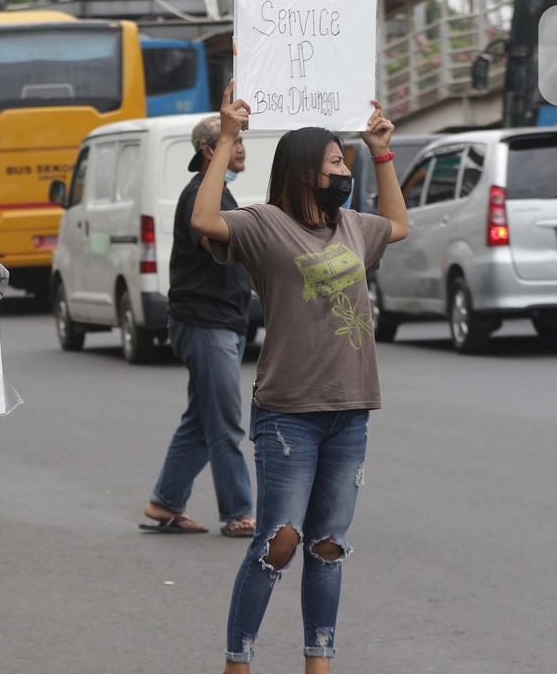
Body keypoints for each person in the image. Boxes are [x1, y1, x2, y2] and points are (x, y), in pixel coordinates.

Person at [190, 83, 407, 673]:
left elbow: (398, 224)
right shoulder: (264, 225)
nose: (344, 172)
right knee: (277, 543)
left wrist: (380, 151)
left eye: (345, 162)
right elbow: (206, 218)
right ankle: (239, 662)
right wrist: (230, 135)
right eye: (336, 162)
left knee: (328, 546)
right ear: (306, 170)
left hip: (351, 410)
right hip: (289, 413)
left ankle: (320, 664)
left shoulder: (356, 229)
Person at [139, 115, 255, 539]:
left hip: (222, 321)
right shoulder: (200, 197)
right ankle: (239, 512)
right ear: (210, 150)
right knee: (225, 422)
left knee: (202, 419)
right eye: (234, 141)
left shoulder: (220, 193)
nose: (242, 148)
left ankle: (165, 502)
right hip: (206, 325)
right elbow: (221, 243)